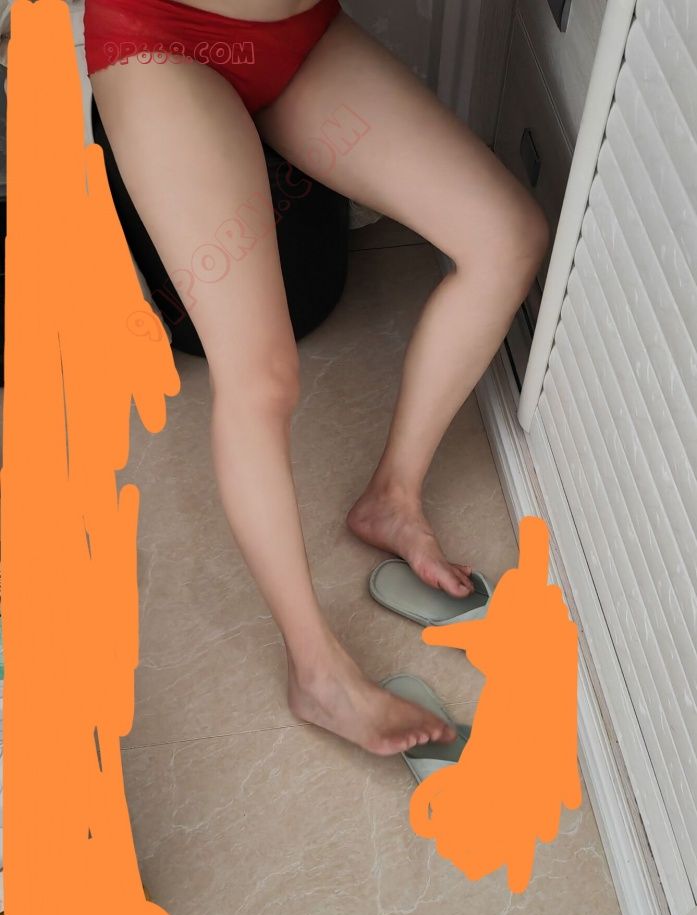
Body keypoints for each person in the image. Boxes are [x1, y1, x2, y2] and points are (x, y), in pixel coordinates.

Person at [83, 0, 549, 756]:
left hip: (299, 32)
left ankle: (392, 498)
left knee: (506, 237)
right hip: (164, 39)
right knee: (260, 376)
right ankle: (317, 674)